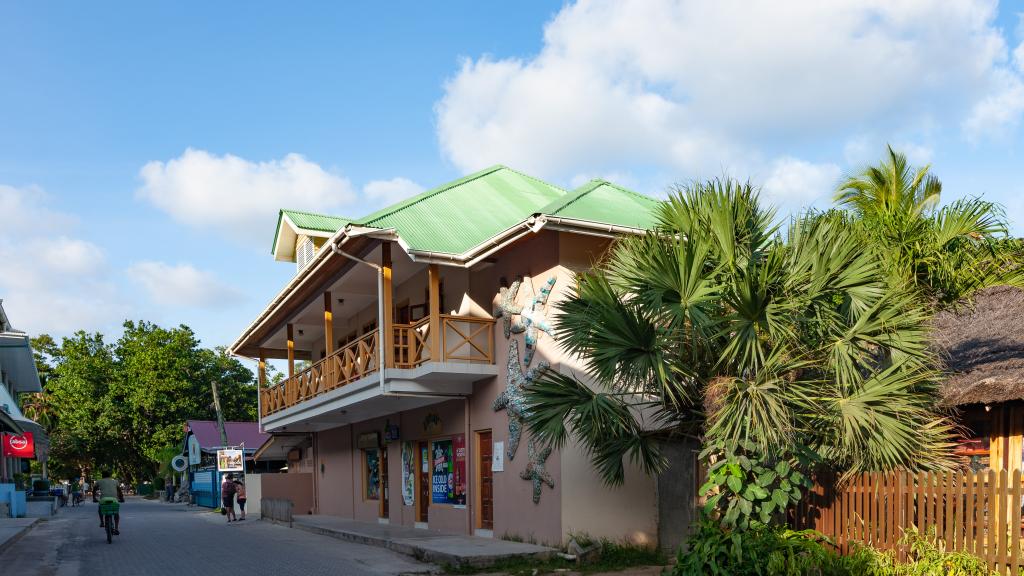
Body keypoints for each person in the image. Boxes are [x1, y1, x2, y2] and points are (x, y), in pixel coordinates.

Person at [93, 470, 124, 535]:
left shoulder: (99, 481)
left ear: (102, 475)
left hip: (103, 499)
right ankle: (116, 529)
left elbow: (94, 489)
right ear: (110, 475)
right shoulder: (115, 481)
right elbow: (119, 491)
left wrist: (94, 498)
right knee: (116, 513)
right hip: (114, 499)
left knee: (100, 509)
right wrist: (122, 498)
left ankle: (102, 522)